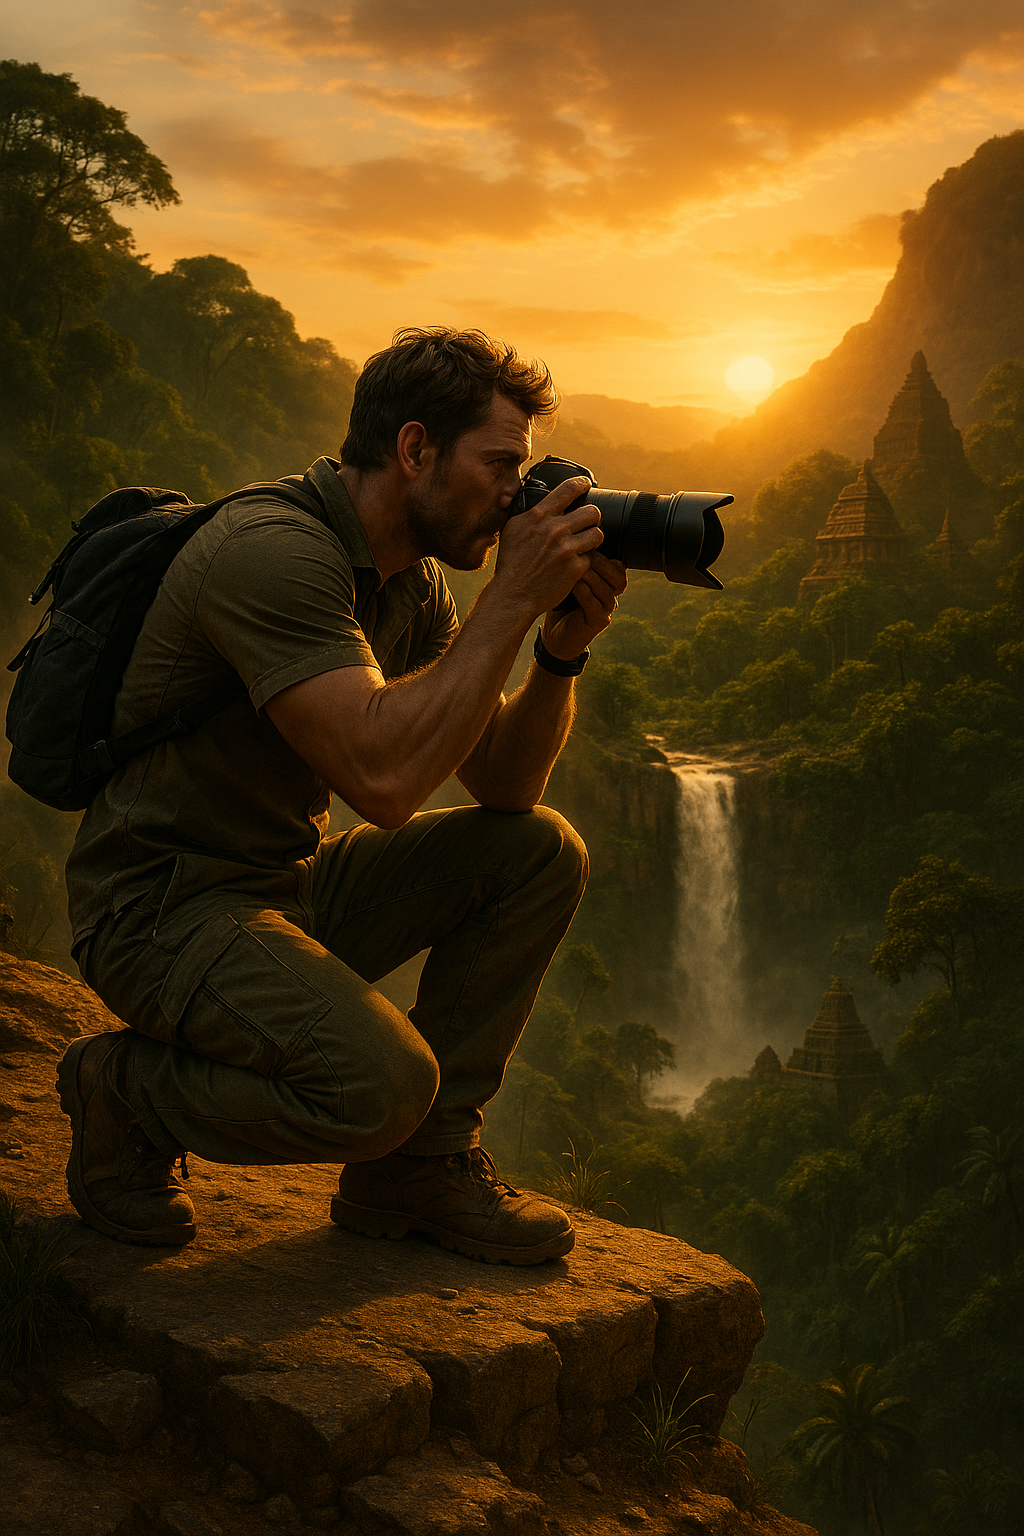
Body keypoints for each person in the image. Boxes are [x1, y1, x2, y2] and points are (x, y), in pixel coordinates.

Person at [57, 327, 627, 1266]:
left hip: (282, 888)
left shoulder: (412, 585)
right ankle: (128, 1091)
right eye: (500, 465)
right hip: (158, 906)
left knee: (538, 849)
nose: (514, 495)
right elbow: (385, 782)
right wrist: (508, 601)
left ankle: (417, 1172)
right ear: (415, 449)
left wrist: (558, 651)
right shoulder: (273, 552)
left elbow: (505, 783)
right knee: (378, 1087)